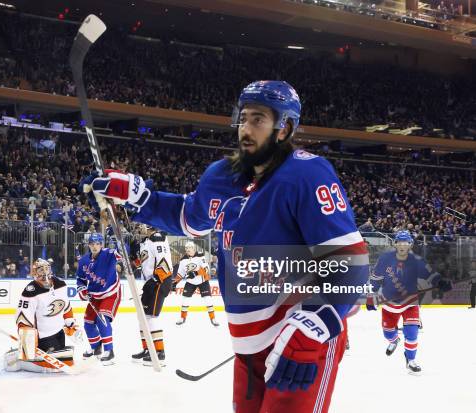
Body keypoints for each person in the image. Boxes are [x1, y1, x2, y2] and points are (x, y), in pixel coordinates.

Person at [83, 80, 370, 412]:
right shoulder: (221, 175)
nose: (245, 129)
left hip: (302, 335)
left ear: (284, 127)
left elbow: (350, 264)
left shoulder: (308, 174)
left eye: (258, 119)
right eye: (243, 117)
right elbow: (187, 217)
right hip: (248, 343)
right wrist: (138, 196)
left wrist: (313, 325)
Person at [367, 230, 451, 374]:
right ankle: (394, 341)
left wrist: (440, 281)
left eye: (406, 242)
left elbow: (430, 275)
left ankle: (411, 360)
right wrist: (370, 297)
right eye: (400, 242)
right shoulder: (385, 259)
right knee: (388, 334)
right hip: (389, 304)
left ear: (410, 244)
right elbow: (375, 279)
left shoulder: (417, 261)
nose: (402, 245)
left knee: (412, 333)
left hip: (410, 302)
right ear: (395, 243)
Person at [4, 258, 78, 373]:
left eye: (46, 269)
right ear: (34, 272)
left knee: (64, 359)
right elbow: (23, 315)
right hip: (43, 337)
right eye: (40, 270)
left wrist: (70, 323)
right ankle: (21, 358)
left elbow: (66, 305)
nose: (44, 273)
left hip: (59, 333)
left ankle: (26, 356)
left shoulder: (60, 284)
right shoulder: (30, 290)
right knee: (54, 367)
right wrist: (27, 337)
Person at [130, 226, 173, 366]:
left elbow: (164, 261)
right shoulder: (146, 241)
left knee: (151, 317)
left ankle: (159, 352)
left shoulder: (158, 237)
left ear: (148, 225)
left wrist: (155, 280)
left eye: (140, 224)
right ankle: (148, 348)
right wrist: (131, 264)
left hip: (159, 281)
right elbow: (145, 262)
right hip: (150, 282)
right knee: (143, 317)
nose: (137, 227)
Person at [76, 233, 121, 365]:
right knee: (88, 322)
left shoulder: (109, 254)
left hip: (110, 293)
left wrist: (120, 242)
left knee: (102, 318)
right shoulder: (83, 261)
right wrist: (82, 289)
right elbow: (80, 279)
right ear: (89, 245)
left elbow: (121, 253)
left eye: (97, 244)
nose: (95, 246)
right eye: (92, 244)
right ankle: (96, 347)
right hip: (94, 295)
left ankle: (109, 351)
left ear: (101, 244)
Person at [173, 241, 219, 326]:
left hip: (203, 281)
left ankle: (213, 318)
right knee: (185, 300)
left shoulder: (200, 255)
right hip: (190, 282)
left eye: (189, 248)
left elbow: (206, 269)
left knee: (208, 299)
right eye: (186, 248)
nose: (187, 249)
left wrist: (195, 273)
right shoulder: (183, 260)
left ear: (193, 248)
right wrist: (175, 283)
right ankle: (182, 318)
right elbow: (180, 273)